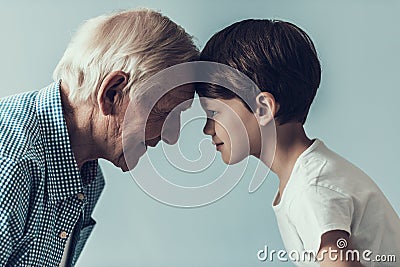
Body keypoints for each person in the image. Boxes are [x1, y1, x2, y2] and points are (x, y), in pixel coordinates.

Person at [0, 8, 198, 267]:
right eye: (165, 113)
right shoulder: (13, 161)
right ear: (112, 94)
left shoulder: (88, 177)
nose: (172, 137)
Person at [196, 19, 400, 266]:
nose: (207, 129)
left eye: (214, 113)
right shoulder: (311, 176)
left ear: (262, 108)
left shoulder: (310, 188)